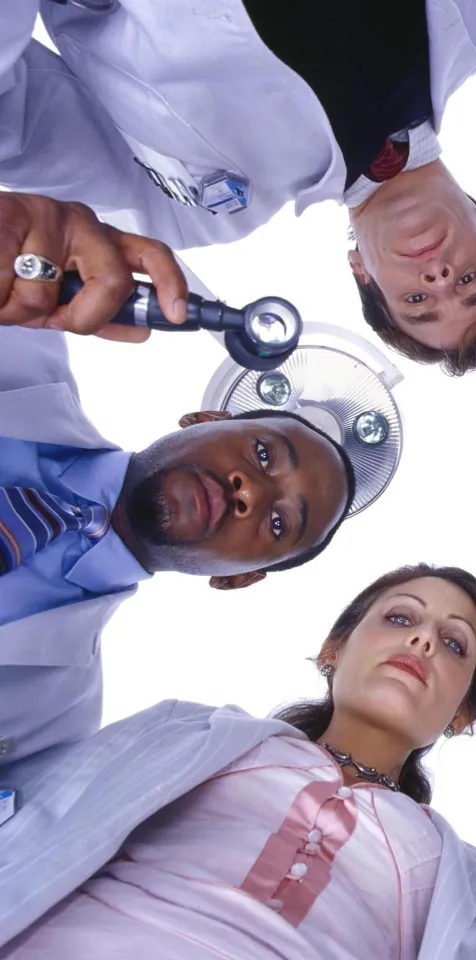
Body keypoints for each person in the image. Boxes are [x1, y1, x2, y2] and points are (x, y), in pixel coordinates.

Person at [0, 198, 357, 769]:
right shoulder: (20, 327)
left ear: (239, 579)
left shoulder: (53, 722)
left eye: (278, 522)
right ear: (205, 419)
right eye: (263, 453)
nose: (251, 492)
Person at [0, 563, 476, 958]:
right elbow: (35, 809)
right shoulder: (195, 733)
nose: (422, 640)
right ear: (333, 649)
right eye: (400, 617)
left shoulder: (467, 882)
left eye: (452, 644)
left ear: (462, 713)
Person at [0, 0, 476, 374]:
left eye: (415, 299)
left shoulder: (189, 211)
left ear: (361, 271)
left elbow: (19, 125)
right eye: (469, 280)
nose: (438, 276)